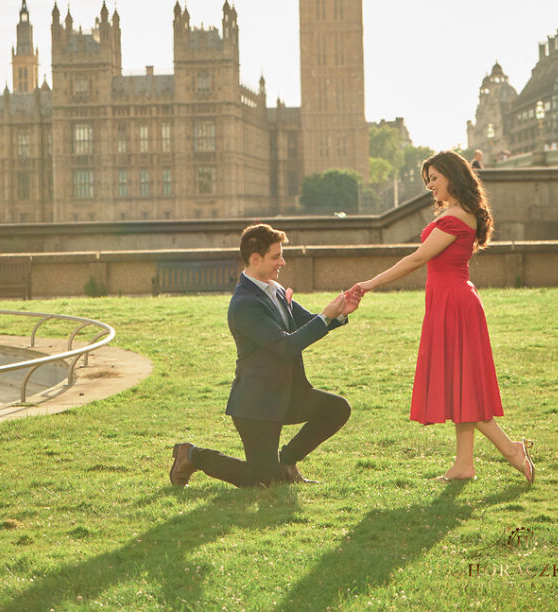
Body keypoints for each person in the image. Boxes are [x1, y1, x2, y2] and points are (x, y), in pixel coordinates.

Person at [350, 151, 535, 484]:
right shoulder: (457, 212)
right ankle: (464, 465)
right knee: (460, 384)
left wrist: (370, 283)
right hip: (451, 301)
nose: (430, 185)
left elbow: (417, 259)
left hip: (454, 304)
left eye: (434, 178)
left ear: (452, 176)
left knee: (461, 387)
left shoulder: (457, 216)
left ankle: (511, 450)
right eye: (428, 180)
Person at [170, 222, 361, 488]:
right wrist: (327, 316)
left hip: (286, 394)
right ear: (255, 259)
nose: (282, 262)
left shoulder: (276, 290)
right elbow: (287, 346)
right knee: (261, 479)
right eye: (276, 256)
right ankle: (191, 455)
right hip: (256, 405)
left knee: (337, 408)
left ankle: (287, 461)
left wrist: (341, 312)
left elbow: (307, 323)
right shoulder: (244, 305)